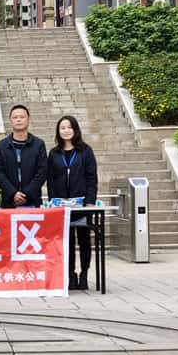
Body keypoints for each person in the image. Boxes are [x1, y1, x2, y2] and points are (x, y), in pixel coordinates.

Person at [47, 115, 98, 290]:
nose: (66, 131)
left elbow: (91, 177)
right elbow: (51, 179)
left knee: (84, 240)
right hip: (61, 206)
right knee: (66, 241)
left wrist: (90, 201)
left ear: (75, 130)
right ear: (58, 131)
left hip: (82, 204)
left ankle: (84, 273)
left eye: (69, 127)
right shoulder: (54, 153)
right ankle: (70, 275)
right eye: (62, 128)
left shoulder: (85, 151)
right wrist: (53, 201)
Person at [0, 104, 47, 208]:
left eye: (22, 117)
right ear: (10, 120)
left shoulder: (38, 144)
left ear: (28, 119)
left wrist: (26, 194)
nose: (18, 120)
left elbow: (42, 171)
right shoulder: (1, 146)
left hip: (33, 201)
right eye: (15, 117)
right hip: (9, 202)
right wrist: (13, 193)